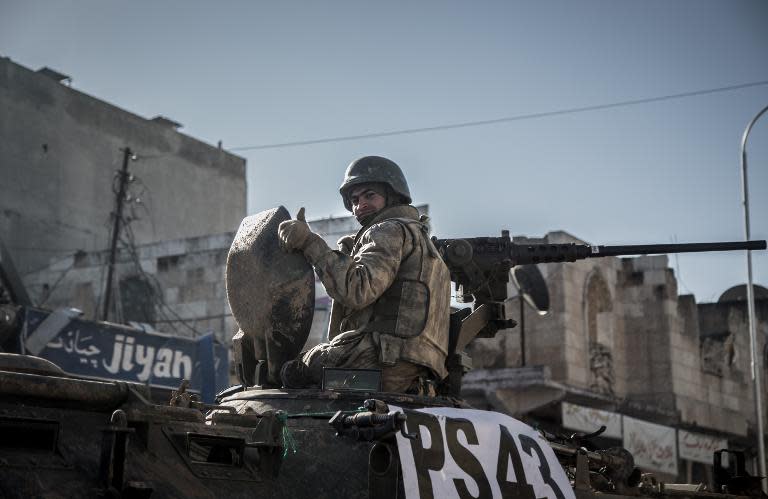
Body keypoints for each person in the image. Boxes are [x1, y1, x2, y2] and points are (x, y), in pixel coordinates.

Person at [277, 156, 451, 393]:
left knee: (288, 372)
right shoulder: (424, 244)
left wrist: (309, 243)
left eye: (370, 195)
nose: (361, 205)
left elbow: (357, 290)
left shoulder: (388, 230)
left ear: (393, 196)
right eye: (355, 200)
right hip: (417, 372)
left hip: (381, 362)